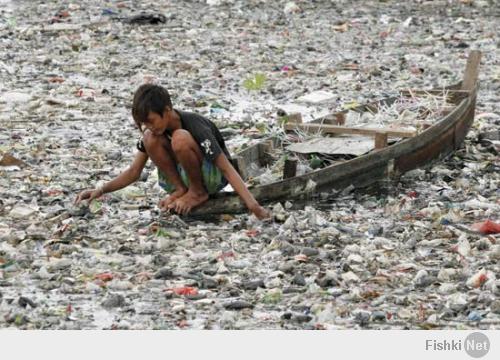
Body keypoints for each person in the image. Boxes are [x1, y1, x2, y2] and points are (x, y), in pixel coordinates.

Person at [75, 84, 269, 219]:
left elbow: (226, 168)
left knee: (180, 138)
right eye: (144, 123)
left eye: (151, 120)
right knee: (149, 138)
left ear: (167, 110)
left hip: (212, 178)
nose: (148, 126)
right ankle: (181, 189)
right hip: (184, 178)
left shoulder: (195, 125)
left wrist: (254, 206)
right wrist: (100, 190)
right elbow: (134, 171)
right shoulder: (154, 132)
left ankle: (197, 192)